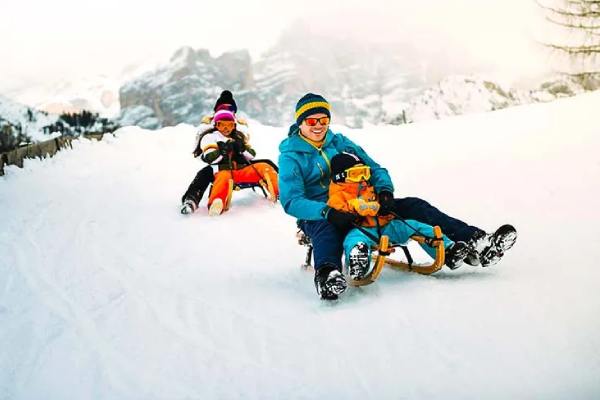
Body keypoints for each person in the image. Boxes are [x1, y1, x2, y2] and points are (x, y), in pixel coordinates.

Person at [278, 93, 517, 300]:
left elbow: (375, 168)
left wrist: (384, 191)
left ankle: (477, 240)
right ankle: (328, 275)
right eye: (312, 121)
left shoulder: (340, 143)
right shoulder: (292, 156)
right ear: (301, 123)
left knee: (415, 206)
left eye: (324, 120)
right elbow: (291, 201)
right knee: (326, 230)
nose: (319, 125)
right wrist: (327, 211)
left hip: (362, 202)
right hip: (320, 210)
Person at [327, 152, 469, 281]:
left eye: (364, 173)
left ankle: (448, 250)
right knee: (353, 240)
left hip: (387, 227)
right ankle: (358, 262)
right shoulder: (337, 195)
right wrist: (355, 208)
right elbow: (338, 208)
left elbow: (382, 195)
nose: (363, 178)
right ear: (341, 177)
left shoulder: (370, 187)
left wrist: (385, 204)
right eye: (356, 174)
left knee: (415, 226)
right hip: (363, 231)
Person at [181, 91, 279, 215]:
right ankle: (194, 200)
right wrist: (221, 151)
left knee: (266, 165)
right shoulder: (209, 129)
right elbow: (207, 153)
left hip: (239, 166)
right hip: (220, 168)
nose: (226, 128)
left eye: (229, 125)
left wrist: (241, 147)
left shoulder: (238, 130)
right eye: (222, 125)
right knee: (205, 174)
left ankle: (283, 190)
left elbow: (251, 152)